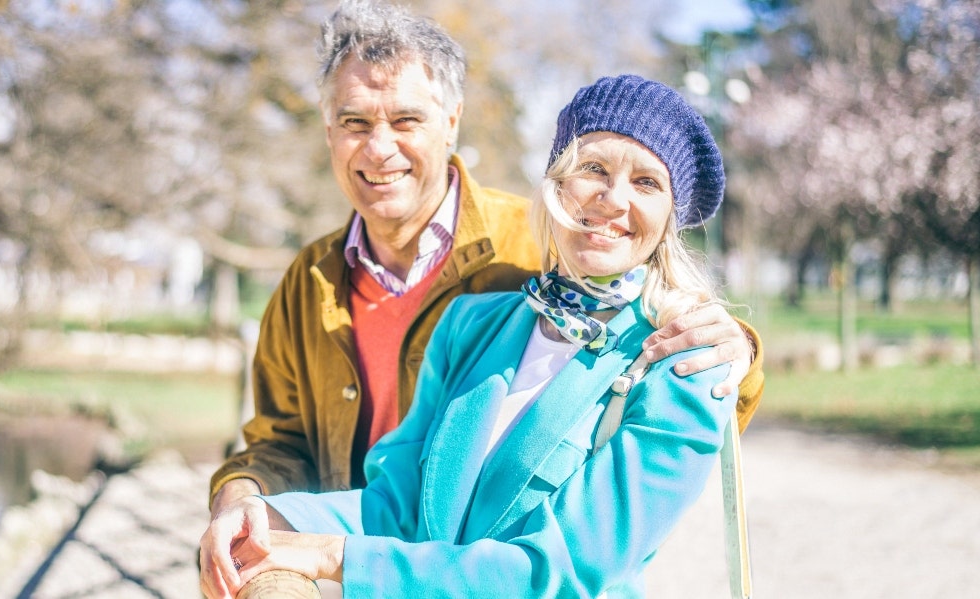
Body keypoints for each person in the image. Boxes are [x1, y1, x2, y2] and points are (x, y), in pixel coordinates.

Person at [208, 0, 762, 526]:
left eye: (406, 121)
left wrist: (740, 352)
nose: (379, 148)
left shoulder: (546, 243)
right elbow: (280, 441)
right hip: (343, 560)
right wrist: (242, 496)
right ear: (329, 132)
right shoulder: (308, 282)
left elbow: (663, 379)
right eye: (355, 123)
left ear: (451, 122)